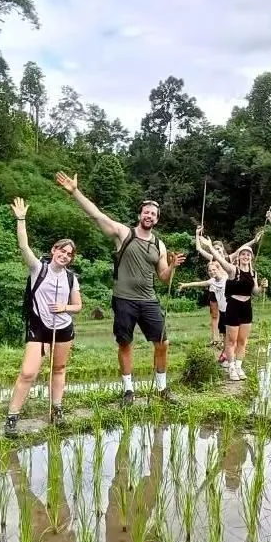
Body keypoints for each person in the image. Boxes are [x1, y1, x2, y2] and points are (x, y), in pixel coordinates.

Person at [53, 171, 186, 406]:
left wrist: (173, 266)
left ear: (157, 219)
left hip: (149, 300)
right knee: (125, 343)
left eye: (154, 214)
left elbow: (164, 278)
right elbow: (96, 215)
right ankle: (128, 391)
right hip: (124, 299)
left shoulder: (159, 244)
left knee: (163, 343)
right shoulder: (124, 233)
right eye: (146, 212)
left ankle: (162, 389)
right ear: (140, 214)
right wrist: (75, 192)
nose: (149, 216)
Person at [4, 197, 83, 437]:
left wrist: (65, 308)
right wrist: (21, 219)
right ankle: (12, 418)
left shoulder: (70, 278)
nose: (65, 255)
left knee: (59, 368)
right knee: (28, 372)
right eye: (62, 250)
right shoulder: (39, 268)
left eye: (69, 254)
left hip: (64, 328)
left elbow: (78, 306)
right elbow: (23, 246)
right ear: (54, 250)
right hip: (39, 326)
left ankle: (57, 410)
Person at [200, 240, 268, 380]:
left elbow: (255, 292)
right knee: (232, 341)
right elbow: (219, 258)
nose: (245, 256)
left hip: (247, 307)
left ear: (251, 257)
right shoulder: (232, 270)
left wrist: (262, 287)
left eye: (248, 254)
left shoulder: (253, 273)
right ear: (239, 257)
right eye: (243, 254)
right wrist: (210, 246)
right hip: (233, 306)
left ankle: (238, 366)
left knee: (243, 341)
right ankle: (231, 367)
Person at [193, 226, 262, 347]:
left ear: (223, 249)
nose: (217, 251)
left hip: (228, 289)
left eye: (219, 249)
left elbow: (242, 249)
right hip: (215, 288)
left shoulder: (229, 258)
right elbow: (198, 248)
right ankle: (215, 338)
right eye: (215, 249)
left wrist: (254, 241)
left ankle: (230, 339)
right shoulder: (211, 258)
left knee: (227, 313)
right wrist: (197, 234)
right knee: (215, 314)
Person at [178, 259, 228, 349]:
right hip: (222, 311)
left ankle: (234, 354)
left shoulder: (226, 279)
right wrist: (185, 285)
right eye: (210, 271)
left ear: (218, 269)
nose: (212, 272)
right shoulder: (212, 281)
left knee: (231, 334)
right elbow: (198, 283)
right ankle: (226, 354)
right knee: (224, 333)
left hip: (230, 310)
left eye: (214, 270)